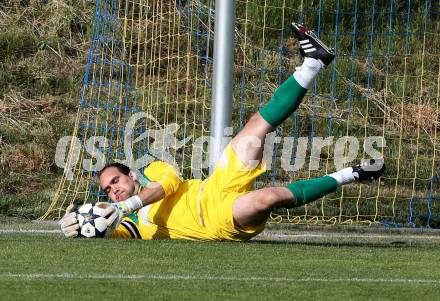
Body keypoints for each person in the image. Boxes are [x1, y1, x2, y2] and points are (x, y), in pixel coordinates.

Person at [60, 22, 385, 241]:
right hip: (217, 220)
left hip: (216, 184)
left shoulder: (150, 173)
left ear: (130, 174)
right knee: (271, 197)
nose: (113, 191)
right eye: (106, 191)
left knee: (255, 128)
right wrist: (85, 225)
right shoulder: (130, 224)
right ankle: (350, 174)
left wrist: (124, 206)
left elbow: (169, 182)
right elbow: (111, 231)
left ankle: (313, 63)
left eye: (115, 181)